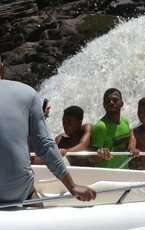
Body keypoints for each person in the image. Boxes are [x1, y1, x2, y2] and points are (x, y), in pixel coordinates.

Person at [0, 56, 96, 204]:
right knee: (34, 201)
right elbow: (45, 146)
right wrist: (72, 186)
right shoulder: (27, 94)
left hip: (16, 189)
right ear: (2, 68)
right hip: (17, 191)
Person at [91, 88, 139, 168]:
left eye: (115, 100)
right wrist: (101, 154)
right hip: (107, 175)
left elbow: (131, 133)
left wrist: (132, 146)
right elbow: (92, 158)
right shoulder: (100, 127)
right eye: (107, 101)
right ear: (104, 105)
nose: (111, 102)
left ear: (122, 103)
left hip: (125, 173)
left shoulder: (125, 121)